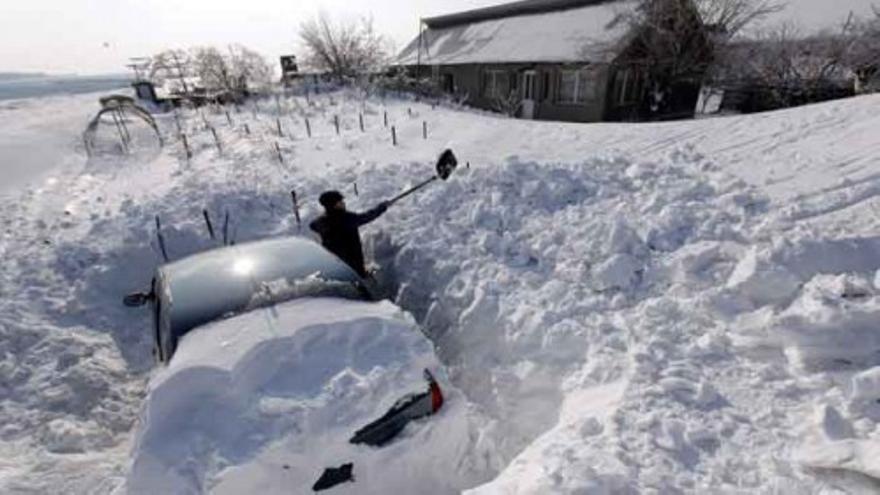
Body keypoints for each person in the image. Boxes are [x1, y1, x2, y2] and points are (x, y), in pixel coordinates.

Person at [310, 190, 390, 277]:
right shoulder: (345, 218)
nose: (343, 203)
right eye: (340, 201)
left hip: (334, 266)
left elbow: (312, 226)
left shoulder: (322, 221)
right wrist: (381, 208)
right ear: (334, 205)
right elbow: (366, 217)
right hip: (353, 266)